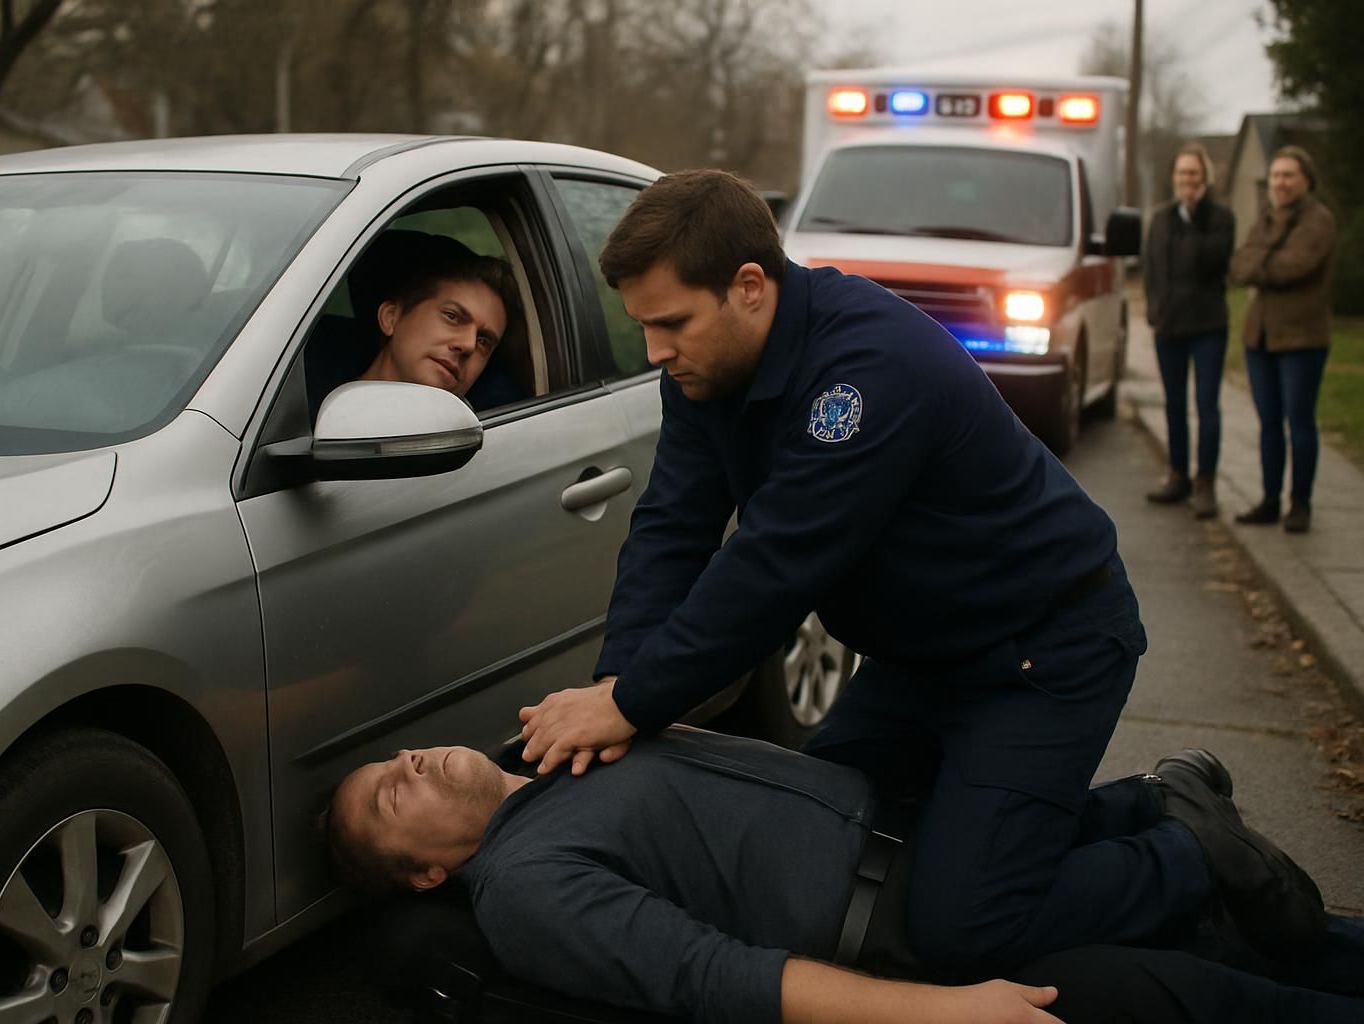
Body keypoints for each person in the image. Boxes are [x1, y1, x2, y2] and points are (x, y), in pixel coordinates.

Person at [514, 169, 1322, 973]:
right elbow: (671, 527)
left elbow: (771, 568)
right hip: (922, 656)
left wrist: (629, 703)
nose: (657, 351)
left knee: (963, 927)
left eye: (672, 324)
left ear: (750, 287)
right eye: (645, 327)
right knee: (820, 843)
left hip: (1042, 650)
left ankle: (1194, 855)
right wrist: (616, 682)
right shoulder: (706, 369)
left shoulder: (864, 371)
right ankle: (1139, 806)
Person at [327, 729, 1364, 1024]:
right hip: (916, 925)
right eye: (388, 796)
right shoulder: (524, 886)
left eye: (396, 755)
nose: (409, 762)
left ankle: (1168, 813)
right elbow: (716, 977)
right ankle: (1186, 831)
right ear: (424, 875)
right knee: (1216, 971)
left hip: (935, 835)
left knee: (1264, 934)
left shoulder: (562, 749)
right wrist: (952, 1014)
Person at [1228, 145, 1338, 534]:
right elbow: (1239, 266)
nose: (1280, 182)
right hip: (1259, 339)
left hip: (1302, 339)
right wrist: (1263, 263)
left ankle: (1301, 503)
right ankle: (1270, 499)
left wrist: (1262, 263)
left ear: (1305, 180)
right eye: (1275, 175)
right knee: (1268, 423)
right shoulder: (1267, 220)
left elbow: (1295, 266)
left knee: (1300, 422)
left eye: (1288, 175)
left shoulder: (1318, 220)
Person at [304, 231, 522, 418]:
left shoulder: (483, 441)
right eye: (452, 316)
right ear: (391, 317)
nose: (468, 345)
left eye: (483, 341)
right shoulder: (293, 402)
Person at [1142, 142, 1236, 518]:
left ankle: (1206, 483)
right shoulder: (1161, 218)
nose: (1187, 180)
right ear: (1173, 177)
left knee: (1206, 406)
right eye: (1182, 173)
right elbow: (1151, 268)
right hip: (1170, 325)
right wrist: (1153, 310)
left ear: (1205, 178)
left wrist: (1194, 216)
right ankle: (1177, 475)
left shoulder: (1220, 219)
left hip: (1208, 326)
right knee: (1174, 405)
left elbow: (1211, 261)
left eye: (1194, 174)